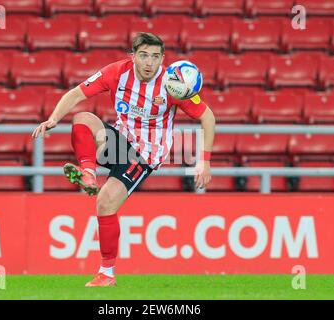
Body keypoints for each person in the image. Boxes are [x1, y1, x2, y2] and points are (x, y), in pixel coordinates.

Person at [32, 32, 216, 287]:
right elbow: (75, 94)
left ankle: (106, 274)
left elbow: (208, 118)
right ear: (133, 56)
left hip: (145, 154)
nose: (149, 63)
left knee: (105, 202)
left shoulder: (173, 84)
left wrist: (204, 161)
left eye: (155, 57)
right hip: (121, 138)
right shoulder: (117, 73)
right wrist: (53, 118)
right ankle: (88, 173)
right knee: (83, 119)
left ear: (162, 59)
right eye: (143, 55)